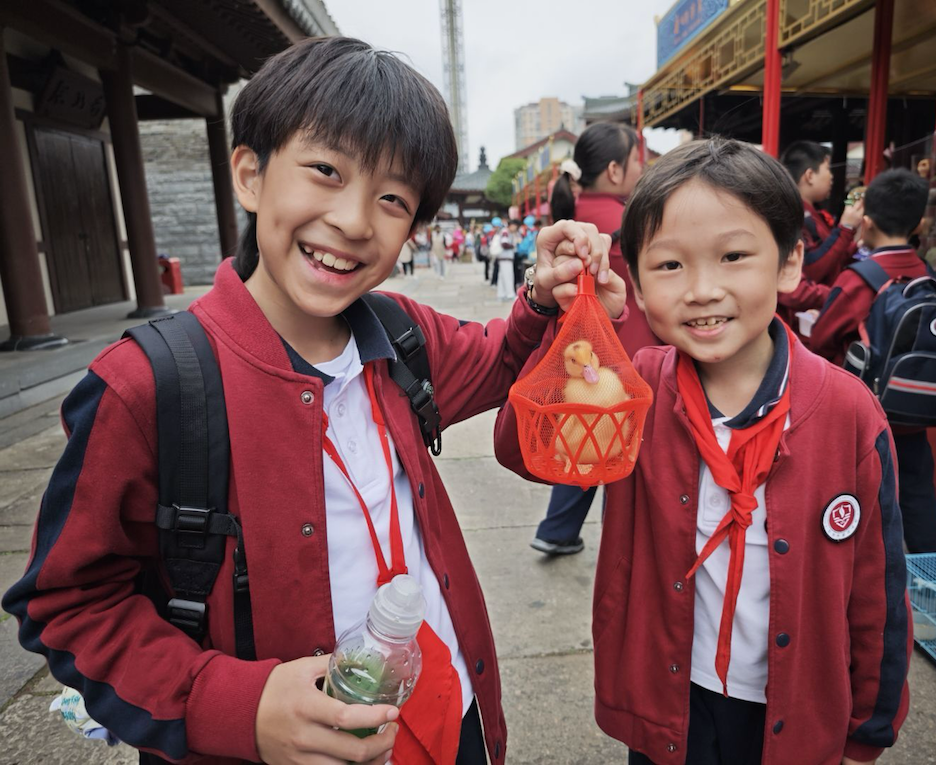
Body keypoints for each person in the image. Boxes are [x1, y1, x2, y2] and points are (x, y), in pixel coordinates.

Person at [3, 35, 614, 765]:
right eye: (326, 171)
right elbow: (69, 604)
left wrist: (542, 296)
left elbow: (497, 359)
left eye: (392, 199)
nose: (354, 221)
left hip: (450, 715)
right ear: (250, 174)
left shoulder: (401, 336)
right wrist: (234, 704)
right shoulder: (149, 385)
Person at [495, 139, 910, 764]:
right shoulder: (633, 389)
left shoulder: (849, 414)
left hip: (792, 710)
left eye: (734, 256)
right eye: (670, 265)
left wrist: (868, 728)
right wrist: (580, 326)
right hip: (668, 702)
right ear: (637, 286)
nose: (702, 290)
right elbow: (524, 450)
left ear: (790, 264)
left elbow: (879, 584)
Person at [531, 122, 658, 556]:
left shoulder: (570, 219)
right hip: (629, 354)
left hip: (579, 358)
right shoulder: (631, 222)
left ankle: (557, 529)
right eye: (637, 160)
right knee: (618, 452)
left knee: (580, 439)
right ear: (614, 170)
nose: (642, 168)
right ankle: (617, 545)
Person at [810, 168, 936, 553]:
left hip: (862, 415)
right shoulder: (928, 274)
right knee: (918, 498)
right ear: (919, 223)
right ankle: (934, 578)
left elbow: (821, 339)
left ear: (866, 222)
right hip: (913, 412)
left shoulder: (859, 278)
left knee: (859, 502)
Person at [777, 141, 864, 328]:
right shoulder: (792, 215)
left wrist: (857, 240)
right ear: (809, 175)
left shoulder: (813, 214)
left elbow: (832, 259)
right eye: (827, 169)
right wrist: (846, 228)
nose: (832, 177)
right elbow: (811, 268)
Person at [492, 217, 516, 301]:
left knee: (502, 278)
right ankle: (510, 294)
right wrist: (513, 246)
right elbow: (504, 243)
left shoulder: (504, 231)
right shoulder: (506, 232)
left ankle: (501, 294)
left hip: (503, 258)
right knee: (508, 277)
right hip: (506, 258)